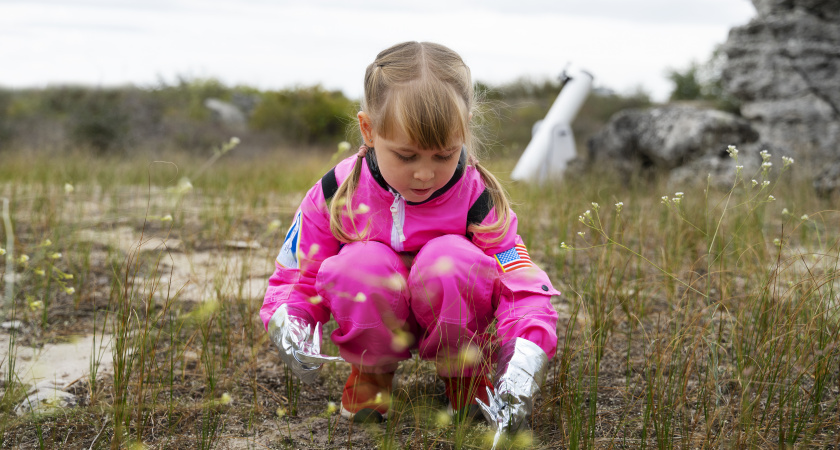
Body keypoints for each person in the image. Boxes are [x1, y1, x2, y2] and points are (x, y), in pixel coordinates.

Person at [262, 41, 560, 432]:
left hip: (455, 319)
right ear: (368, 129)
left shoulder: (478, 196)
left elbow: (519, 280)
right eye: (406, 156)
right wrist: (290, 319)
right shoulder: (336, 192)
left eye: (443, 155)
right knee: (358, 264)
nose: (425, 174)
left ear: (464, 130)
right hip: (374, 320)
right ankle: (372, 374)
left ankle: (464, 376)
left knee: (453, 259)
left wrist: (526, 350)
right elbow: (297, 274)